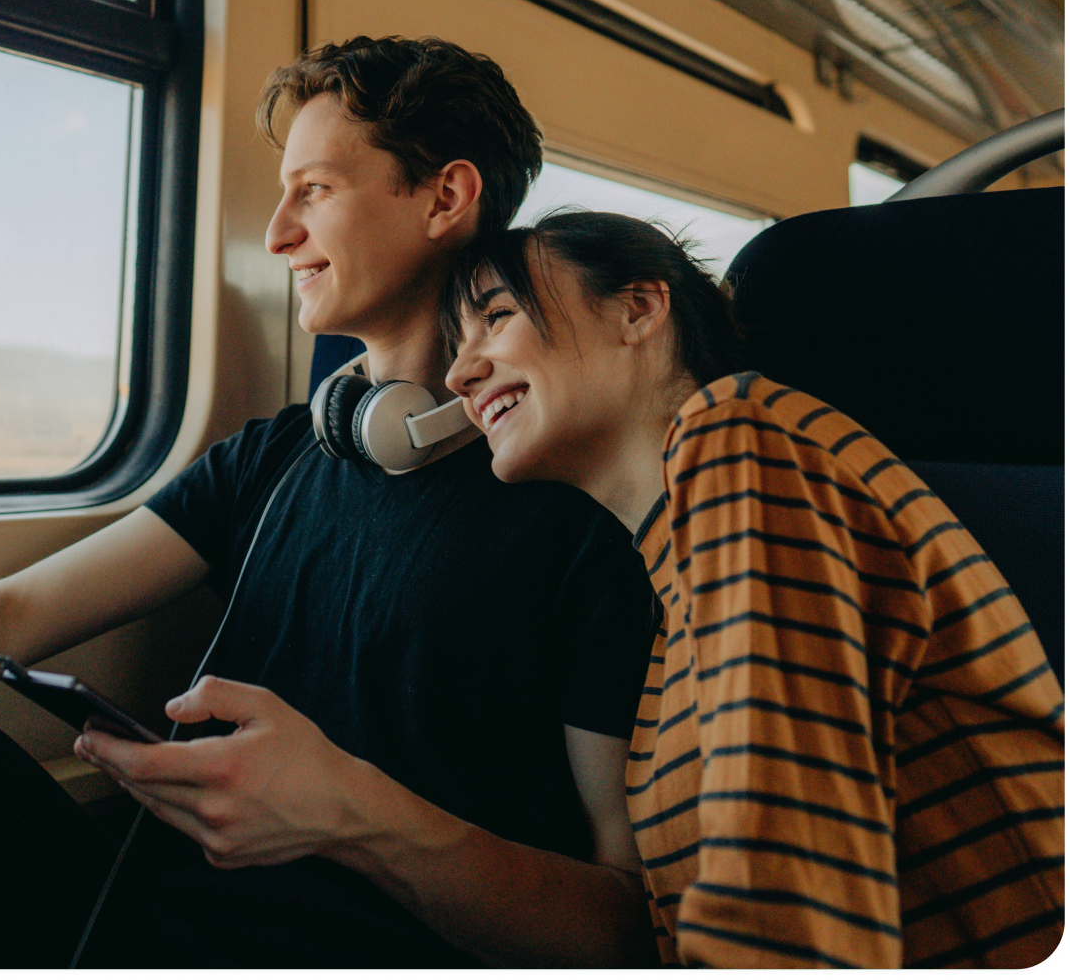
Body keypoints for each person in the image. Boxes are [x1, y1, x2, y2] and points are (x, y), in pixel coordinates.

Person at [0, 38, 661, 968]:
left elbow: (624, 927)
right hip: (151, 928)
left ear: (444, 198)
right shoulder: (273, 457)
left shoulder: (580, 506)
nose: (275, 235)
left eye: (314, 190)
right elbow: (5, 617)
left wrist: (349, 815)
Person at [443, 209, 1065, 968]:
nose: (458, 373)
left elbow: (788, 877)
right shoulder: (669, 599)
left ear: (637, 309)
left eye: (497, 316)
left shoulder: (737, 437)